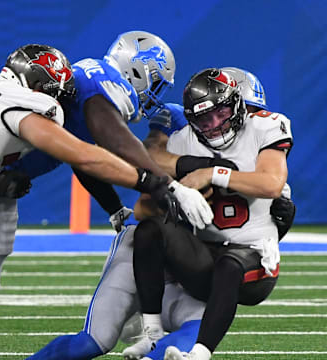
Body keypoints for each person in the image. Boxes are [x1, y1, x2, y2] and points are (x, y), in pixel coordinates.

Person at [0, 43, 200, 319]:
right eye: (59, 89)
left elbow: (83, 152)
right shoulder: (40, 103)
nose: (64, 95)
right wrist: (160, 183)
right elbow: (92, 151)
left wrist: (114, 207)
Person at [125, 67, 293, 360]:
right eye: (204, 118)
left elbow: (270, 184)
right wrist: (177, 195)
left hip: (254, 261)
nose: (214, 124)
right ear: (191, 119)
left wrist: (212, 173)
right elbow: (142, 206)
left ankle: (200, 354)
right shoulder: (182, 142)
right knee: (149, 230)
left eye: (221, 112)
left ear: (238, 105)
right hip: (205, 258)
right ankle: (152, 333)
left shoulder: (265, 127)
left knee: (230, 264)